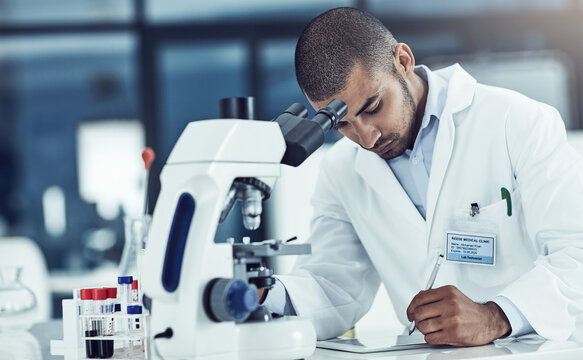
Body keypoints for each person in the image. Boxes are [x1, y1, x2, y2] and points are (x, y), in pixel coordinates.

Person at [260, 7, 583, 346]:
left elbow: (575, 252)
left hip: (542, 352)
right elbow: (333, 286)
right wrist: (267, 295)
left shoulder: (517, 122)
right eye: (342, 124)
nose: (367, 138)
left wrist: (496, 316)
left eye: (372, 108)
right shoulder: (341, 169)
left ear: (403, 60)